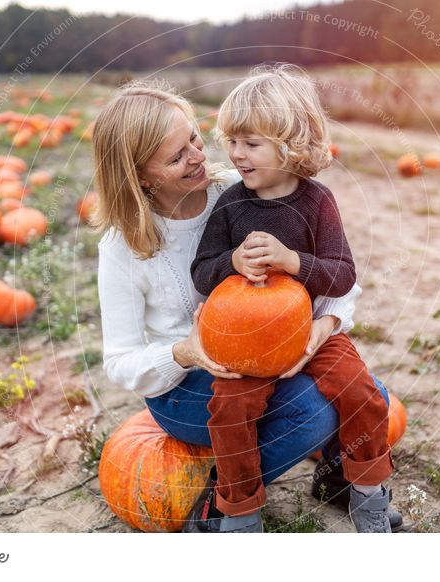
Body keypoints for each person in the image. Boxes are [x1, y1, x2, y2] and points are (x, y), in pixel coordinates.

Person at [92, 80, 401, 534]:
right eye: (176, 157)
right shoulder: (122, 247)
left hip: (272, 348)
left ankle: (347, 482)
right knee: (312, 413)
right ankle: (224, 505)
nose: (200, 156)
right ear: (140, 175)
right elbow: (120, 363)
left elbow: (338, 273)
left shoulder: (243, 192)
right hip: (188, 384)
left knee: (363, 389)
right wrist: (186, 352)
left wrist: (327, 322)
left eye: (195, 139)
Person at [191, 64, 396, 533]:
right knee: (229, 411)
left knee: (363, 393)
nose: (236, 154)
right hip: (245, 340)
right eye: (232, 141)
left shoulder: (318, 202)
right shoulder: (231, 204)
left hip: (313, 331)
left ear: (292, 144)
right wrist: (233, 263)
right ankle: (239, 515)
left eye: (251, 143)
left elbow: (342, 276)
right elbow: (202, 273)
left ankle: (368, 496)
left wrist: (292, 261)